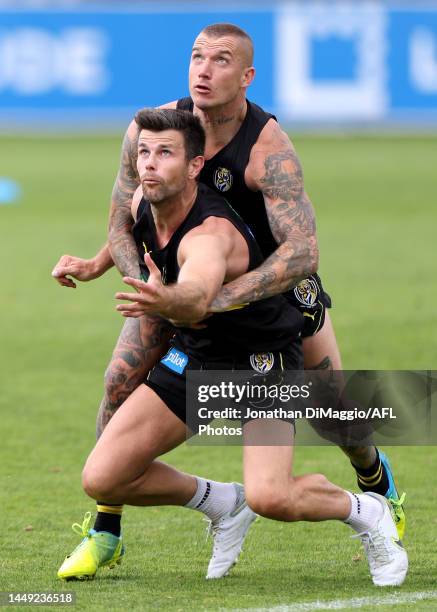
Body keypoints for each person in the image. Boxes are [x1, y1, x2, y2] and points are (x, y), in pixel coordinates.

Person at [52, 23, 405, 545]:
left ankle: (376, 479)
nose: (203, 69)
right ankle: (107, 527)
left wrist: (215, 301)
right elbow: (124, 220)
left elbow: (303, 252)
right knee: (118, 384)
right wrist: (150, 288)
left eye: (220, 60)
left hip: (274, 297)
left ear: (246, 77)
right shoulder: (156, 130)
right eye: (197, 56)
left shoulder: (267, 146)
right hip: (184, 287)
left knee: (333, 414)